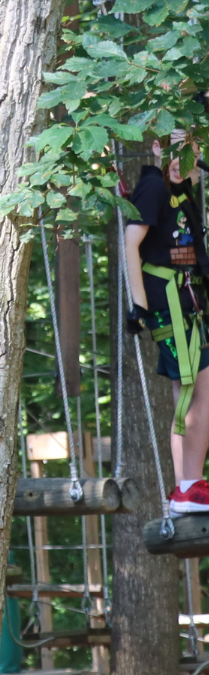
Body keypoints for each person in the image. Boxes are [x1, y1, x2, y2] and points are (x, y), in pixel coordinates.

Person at [125, 129, 209, 514]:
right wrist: (139, 306)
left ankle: (190, 484)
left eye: (189, 151)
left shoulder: (185, 191)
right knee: (193, 394)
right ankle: (188, 487)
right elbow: (131, 240)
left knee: (199, 396)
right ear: (158, 149)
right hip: (169, 306)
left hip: (190, 303)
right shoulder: (154, 188)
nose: (180, 160)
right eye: (172, 150)